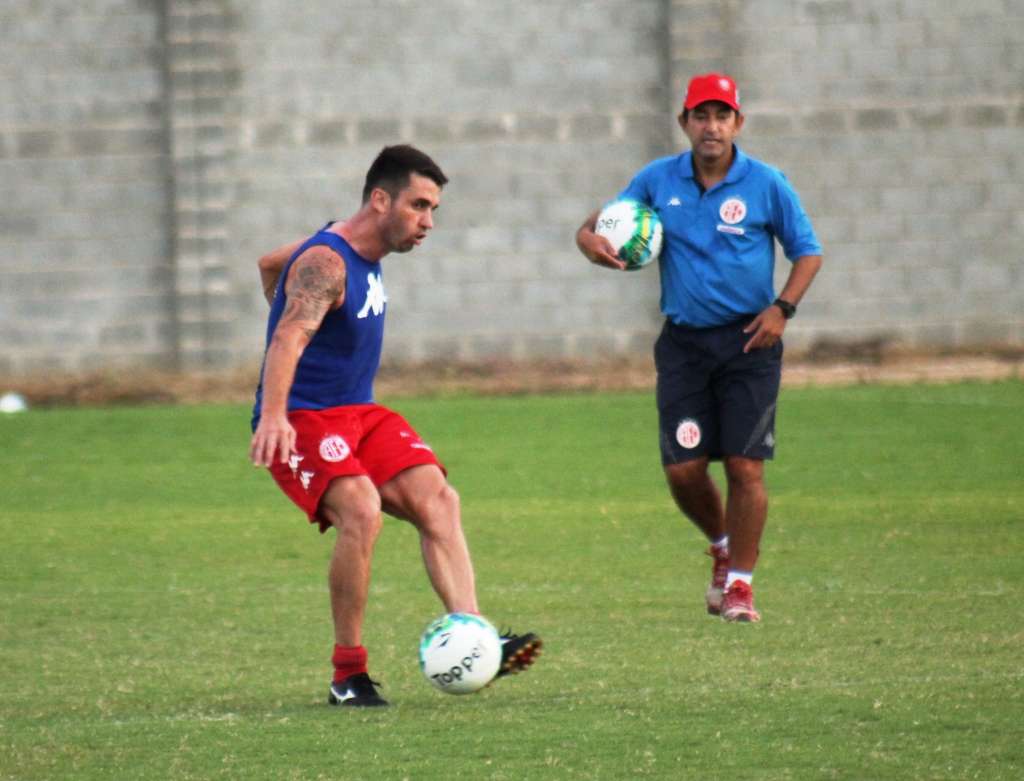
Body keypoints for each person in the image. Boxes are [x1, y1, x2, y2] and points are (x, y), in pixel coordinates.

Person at [250, 144, 541, 706]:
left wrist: (279, 299)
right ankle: (347, 675)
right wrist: (274, 413)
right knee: (360, 509)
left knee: (438, 499)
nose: (428, 222)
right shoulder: (325, 263)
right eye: (419, 206)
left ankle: (477, 638)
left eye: (433, 209)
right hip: (307, 416)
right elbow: (289, 335)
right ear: (380, 199)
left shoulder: (346, 253)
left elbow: (268, 264)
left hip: (359, 410)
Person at [575, 74, 823, 623]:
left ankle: (740, 585)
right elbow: (596, 225)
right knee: (684, 470)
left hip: (748, 343)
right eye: (701, 115)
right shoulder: (657, 179)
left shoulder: (766, 184)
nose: (712, 126)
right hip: (684, 345)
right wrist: (591, 242)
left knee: (744, 468)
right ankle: (720, 545)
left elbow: (808, 253)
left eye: (723, 115)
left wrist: (783, 308)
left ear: (738, 122)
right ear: (685, 121)